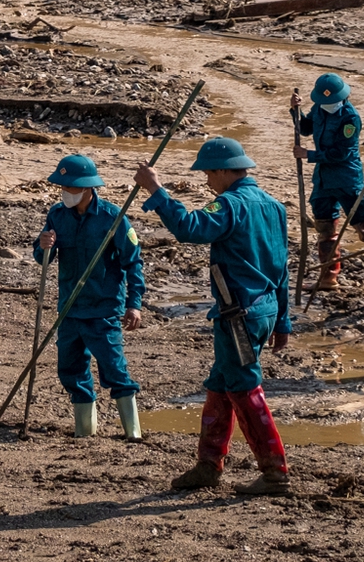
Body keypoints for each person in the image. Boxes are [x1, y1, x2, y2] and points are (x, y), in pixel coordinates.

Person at [136, 138, 293, 496]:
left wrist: (155, 189)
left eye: (208, 173)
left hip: (239, 313)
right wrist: (283, 321)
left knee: (243, 387)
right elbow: (282, 269)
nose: (207, 181)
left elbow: (190, 228)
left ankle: (274, 472)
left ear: (224, 171)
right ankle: (208, 464)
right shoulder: (273, 206)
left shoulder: (231, 205)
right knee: (221, 384)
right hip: (264, 309)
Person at [33, 155, 146, 440]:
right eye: (64, 188)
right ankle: (84, 431)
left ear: (87, 188)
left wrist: (134, 305)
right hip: (69, 309)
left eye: (71, 188)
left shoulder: (113, 218)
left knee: (114, 370)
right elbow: (43, 257)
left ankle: (133, 434)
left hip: (103, 310)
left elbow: (133, 263)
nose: (66, 193)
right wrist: (43, 246)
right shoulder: (57, 215)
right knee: (70, 369)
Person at [292, 72, 364, 293]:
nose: (328, 105)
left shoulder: (350, 118)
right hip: (323, 179)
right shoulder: (320, 108)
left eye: (332, 102)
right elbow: (305, 128)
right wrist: (296, 111)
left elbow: (341, 153)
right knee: (325, 228)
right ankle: (328, 277)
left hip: (346, 179)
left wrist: (309, 155)